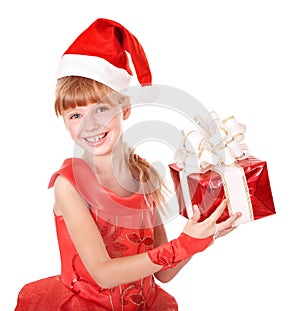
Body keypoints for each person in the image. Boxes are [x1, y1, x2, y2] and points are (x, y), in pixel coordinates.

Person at [15, 18, 241, 311]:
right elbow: (103, 273)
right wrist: (184, 244)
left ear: (126, 108)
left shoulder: (143, 175)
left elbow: (163, 271)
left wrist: (201, 239)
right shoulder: (68, 186)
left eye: (101, 108)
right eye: (75, 115)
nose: (90, 124)